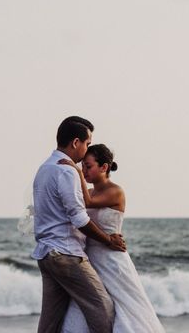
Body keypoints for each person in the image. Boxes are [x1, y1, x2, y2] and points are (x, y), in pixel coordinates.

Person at [32, 116, 126, 333]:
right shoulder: (66, 170)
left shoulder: (44, 168)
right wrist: (108, 240)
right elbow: (80, 218)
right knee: (103, 309)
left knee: (50, 323)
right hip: (66, 255)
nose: (87, 149)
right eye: (87, 143)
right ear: (76, 142)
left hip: (46, 254)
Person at [59, 144, 165, 333]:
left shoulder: (115, 191)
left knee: (126, 308)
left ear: (104, 167)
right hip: (89, 259)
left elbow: (89, 203)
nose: (84, 171)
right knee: (87, 309)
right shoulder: (89, 192)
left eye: (88, 166)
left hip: (111, 259)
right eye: (82, 166)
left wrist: (74, 171)